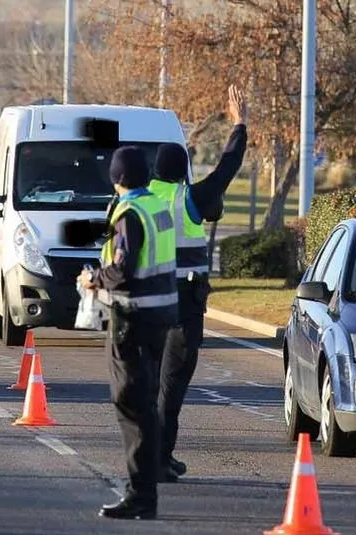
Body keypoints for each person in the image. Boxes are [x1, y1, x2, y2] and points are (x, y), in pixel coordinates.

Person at [148, 85, 248, 482]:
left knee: (149, 386)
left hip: (144, 307)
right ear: (182, 169)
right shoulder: (189, 200)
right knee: (170, 389)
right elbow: (228, 167)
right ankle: (159, 458)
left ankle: (154, 457)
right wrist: (239, 124)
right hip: (183, 309)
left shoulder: (136, 200)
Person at [77, 146, 179, 520]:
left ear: (117, 178)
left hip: (133, 320)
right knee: (146, 406)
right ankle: (145, 488)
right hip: (161, 316)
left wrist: (92, 279)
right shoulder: (157, 207)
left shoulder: (131, 213)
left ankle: (141, 495)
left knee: (132, 407)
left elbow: (123, 269)